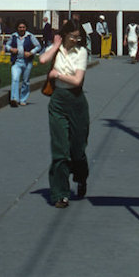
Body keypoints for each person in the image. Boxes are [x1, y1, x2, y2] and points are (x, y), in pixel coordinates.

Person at [39, 19, 90, 208]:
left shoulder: (82, 52)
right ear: (66, 35)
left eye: (79, 37)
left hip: (77, 102)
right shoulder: (57, 51)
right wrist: (56, 45)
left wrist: (57, 75)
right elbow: (43, 60)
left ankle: (81, 177)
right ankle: (60, 193)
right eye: (73, 36)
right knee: (60, 150)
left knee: (78, 150)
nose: (76, 40)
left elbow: (77, 81)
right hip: (58, 100)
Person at [5, 19, 41, 107]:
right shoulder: (13, 36)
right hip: (16, 61)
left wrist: (31, 52)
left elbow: (38, 46)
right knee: (15, 79)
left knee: (26, 81)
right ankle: (14, 99)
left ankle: (23, 99)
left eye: (23, 27)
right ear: (17, 28)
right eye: (20, 27)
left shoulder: (30, 36)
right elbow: (7, 45)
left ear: (26, 28)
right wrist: (11, 49)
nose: (22, 29)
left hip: (27, 62)